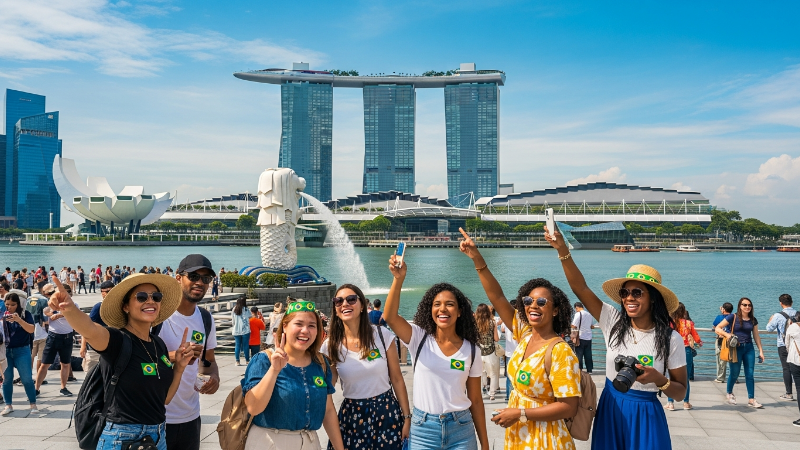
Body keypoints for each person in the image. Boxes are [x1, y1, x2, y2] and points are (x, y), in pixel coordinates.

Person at [544, 226, 686, 450]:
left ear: (653, 298)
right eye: (625, 293)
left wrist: (659, 379)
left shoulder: (671, 338)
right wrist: (562, 250)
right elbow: (580, 288)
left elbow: (680, 392)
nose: (629, 298)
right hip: (611, 406)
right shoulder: (613, 321)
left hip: (646, 413)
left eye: (637, 293)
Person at [458, 228, 580, 449]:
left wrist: (521, 413)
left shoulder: (561, 351)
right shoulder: (524, 335)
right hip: (520, 435)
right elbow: (497, 296)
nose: (533, 306)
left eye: (541, 302)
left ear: (555, 310)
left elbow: (569, 407)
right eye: (528, 301)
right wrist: (477, 258)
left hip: (545, 438)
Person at [47, 273, 193, 449]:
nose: (150, 301)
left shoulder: (158, 344)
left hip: (158, 436)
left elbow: (164, 400)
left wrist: (179, 367)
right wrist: (69, 308)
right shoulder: (117, 339)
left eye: (156, 296)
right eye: (141, 297)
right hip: (121, 437)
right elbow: (90, 329)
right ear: (126, 306)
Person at [382, 255, 489, 450]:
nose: (443, 309)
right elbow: (389, 317)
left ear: (459, 312)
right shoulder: (418, 337)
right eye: (437, 304)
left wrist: (485, 444)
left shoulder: (471, 350)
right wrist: (398, 279)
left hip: (461, 429)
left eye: (450, 304)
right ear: (430, 310)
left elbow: (475, 400)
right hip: (423, 430)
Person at [242, 300, 345, 450]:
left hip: (310, 443)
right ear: (284, 326)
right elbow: (253, 407)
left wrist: (339, 448)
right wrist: (274, 370)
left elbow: (328, 411)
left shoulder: (321, 363)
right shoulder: (264, 360)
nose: (305, 330)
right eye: (299, 324)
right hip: (270, 442)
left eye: (312, 325)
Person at [320, 284, 411, 449]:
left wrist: (406, 417)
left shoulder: (382, 335)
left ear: (362, 305)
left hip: (387, 412)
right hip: (352, 417)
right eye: (338, 301)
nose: (344, 304)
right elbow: (327, 390)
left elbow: (397, 379)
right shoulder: (330, 346)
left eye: (351, 299)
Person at [159, 254, 221, 450]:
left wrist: (214, 378)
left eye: (206, 278)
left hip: (190, 418)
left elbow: (209, 361)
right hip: (155, 417)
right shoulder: (158, 315)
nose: (200, 283)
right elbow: (140, 358)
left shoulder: (205, 318)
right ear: (178, 278)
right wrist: (175, 356)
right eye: (193, 276)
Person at [715, 297, 766, 408]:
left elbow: (756, 336)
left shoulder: (753, 320)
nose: (747, 307)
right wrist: (727, 335)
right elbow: (718, 328)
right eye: (744, 305)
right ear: (740, 306)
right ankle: (729, 393)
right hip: (736, 348)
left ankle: (751, 399)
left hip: (749, 348)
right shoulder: (732, 317)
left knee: (750, 374)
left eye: (749, 305)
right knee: (735, 373)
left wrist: (761, 351)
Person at [34, 287, 77, 397]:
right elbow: (46, 313)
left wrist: (59, 314)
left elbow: (73, 313)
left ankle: (63, 387)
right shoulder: (51, 304)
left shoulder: (74, 305)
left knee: (65, 363)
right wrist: (53, 314)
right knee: (45, 364)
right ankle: (36, 388)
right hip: (53, 336)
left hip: (67, 337)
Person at [1, 292, 39, 415]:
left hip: (22, 350)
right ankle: (8, 405)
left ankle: (33, 404)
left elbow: (31, 329)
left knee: (26, 378)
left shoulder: (25, 314)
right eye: (7, 304)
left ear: (19, 304)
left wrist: (19, 320)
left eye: (13, 305)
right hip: (5, 351)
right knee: (7, 379)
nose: (9, 307)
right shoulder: (2, 315)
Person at [666, 303, 702, 411]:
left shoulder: (669, 323)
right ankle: (686, 403)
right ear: (683, 312)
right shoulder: (688, 323)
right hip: (686, 350)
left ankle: (670, 403)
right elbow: (696, 338)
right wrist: (699, 342)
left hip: (672, 351)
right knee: (685, 378)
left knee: (671, 377)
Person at [767, 294, 797, 401]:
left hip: (783, 345)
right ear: (792, 302)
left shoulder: (778, 315)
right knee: (797, 368)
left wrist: (770, 319)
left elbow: (769, 329)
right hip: (796, 345)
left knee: (786, 368)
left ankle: (789, 393)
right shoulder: (798, 314)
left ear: (781, 303)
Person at [81, 281, 115, 373]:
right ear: (102, 293)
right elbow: (87, 326)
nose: (109, 294)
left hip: (112, 345)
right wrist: (83, 346)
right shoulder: (98, 307)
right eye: (107, 291)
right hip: (95, 346)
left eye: (112, 291)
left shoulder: (118, 306)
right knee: (92, 373)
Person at [474, 303, 501, 401]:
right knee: (492, 373)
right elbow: (496, 339)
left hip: (479, 352)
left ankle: (484, 388)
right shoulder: (492, 323)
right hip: (491, 352)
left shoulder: (475, 324)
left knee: (482, 372)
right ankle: (492, 393)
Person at [782, 312, 800, 426]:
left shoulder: (793, 327)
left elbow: (787, 343)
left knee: (799, 388)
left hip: (796, 360)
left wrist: (791, 352)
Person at [712, 302, 734, 383]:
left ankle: (720, 378)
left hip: (721, 340)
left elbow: (715, 326)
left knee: (720, 359)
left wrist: (721, 312)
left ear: (723, 309)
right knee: (733, 359)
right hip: (732, 339)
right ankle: (734, 377)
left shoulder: (719, 317)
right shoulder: (734, 317)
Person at [571, 302, 594, 374]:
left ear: (577, 307)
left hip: (581, 337)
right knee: (588, 354)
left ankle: (580, 369)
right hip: (589, 337)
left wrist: (570, 325)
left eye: (576, 309)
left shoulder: (578, 314)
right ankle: (589, 370)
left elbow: (574, 325)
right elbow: (592, 326)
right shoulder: (589, 314)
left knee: (579, 354)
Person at [232, 296, 252, 366]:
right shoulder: (246, 309)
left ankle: (237, 361)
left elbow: (233, 321)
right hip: (245, 330)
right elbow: (250, 317)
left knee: (237, 345)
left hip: (236, 330)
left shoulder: (234, 309)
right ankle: (247, 360)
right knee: (246, 345)